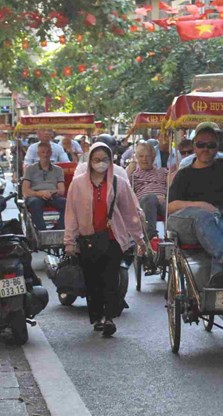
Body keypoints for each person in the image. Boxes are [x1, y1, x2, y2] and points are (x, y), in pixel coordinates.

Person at [63, 142, 146, 337]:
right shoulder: (78, 184)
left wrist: (139, 239)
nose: (100, 164)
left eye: (104, 160)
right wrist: (69, 241)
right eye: (96, 160)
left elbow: (129, 213)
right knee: (93, 281)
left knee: (110, 280)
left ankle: (109, 318)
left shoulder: (119, 183)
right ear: (90, 161)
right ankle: (98, 316)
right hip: (88, 240)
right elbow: (71, 214)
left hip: (112, 238)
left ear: (111, 162)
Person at [166, 122, 223, 283]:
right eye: (201, 145)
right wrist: (199, 205)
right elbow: (170, 206)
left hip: (218, 220)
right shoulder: (184, 174)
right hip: (185, 223)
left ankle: (219, 283)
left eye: (210, 145)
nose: (205, 149)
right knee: (203, 216)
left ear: (217, 147)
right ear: (194, 146)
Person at [22, 143, 66, 230]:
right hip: (35, 196)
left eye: (48, 152)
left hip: (52, 195)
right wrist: (39, 193)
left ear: (51, 153)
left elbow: (62, 190)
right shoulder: (30, 169)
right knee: (34, 203)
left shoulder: (58, 170)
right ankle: (42, 231)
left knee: (68, 204)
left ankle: (58, 230)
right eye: (43, 152)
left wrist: (50, 193)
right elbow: (25, 191)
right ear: (38, 154)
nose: (45, 155)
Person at [129, 142, 168, 243]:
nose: (144, 159)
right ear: (137, 157)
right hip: (143, 203)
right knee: (151, 198)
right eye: (141, 156)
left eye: (148, 156)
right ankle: (150, 234)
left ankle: (172, 231)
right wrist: (129, 170)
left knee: (168, 204)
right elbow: (123, 187)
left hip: (162, 202)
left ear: (154, 157)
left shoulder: (163, 172)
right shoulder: (134, 174)